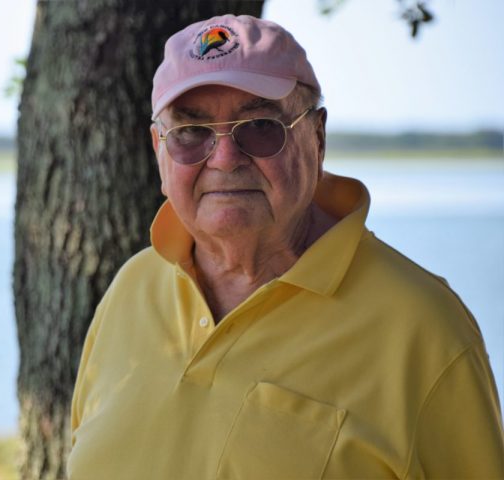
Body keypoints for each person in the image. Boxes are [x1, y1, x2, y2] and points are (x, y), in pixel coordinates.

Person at [67, 14, 504, 479]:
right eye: (190, 133)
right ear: (159, 149)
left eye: (258, 126)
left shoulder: (423, 326)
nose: (225, 159)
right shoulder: (131, 288)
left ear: (316, 137)